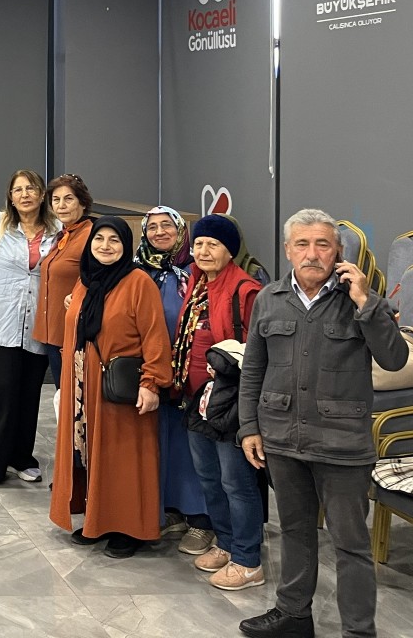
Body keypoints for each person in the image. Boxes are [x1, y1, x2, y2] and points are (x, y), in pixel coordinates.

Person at [237, 210, 408, 638]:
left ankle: (358, 631)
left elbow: (395, 359)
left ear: (339, 251)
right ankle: (294, 615)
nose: (312, 254)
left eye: (322, 245)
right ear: (288, 250)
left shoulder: (362, 299)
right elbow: (253, 368)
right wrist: (248, 426)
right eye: (302, 244)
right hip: (282, 438)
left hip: (342, 445)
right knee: (295, 532)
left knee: (351, 545)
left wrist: (366, 303)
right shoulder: (269, 298)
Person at [49, 217, 173, 559]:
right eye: (99, 239)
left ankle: (129, 528)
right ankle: (99, 521)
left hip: (120, 386)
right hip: (82, 384)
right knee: (92, 453)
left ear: (126, 246)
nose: (105, 246)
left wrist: (152, 382)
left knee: (124, 456)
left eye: (114, 240)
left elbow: (155, 335)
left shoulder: (138, 282)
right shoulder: (86, 281)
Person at [172, 214, 264, 591]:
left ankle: (248, 558)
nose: (204, 250)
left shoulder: (246, 290)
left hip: (232, 400)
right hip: (198, 399)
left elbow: (260, 351)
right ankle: (225, 543)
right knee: (209, 477)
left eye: (213, 244)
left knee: (236, 482)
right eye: (198, 244)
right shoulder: (195, 284)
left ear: (230, 251)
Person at [0, 169, 59, 490]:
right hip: (1, 320)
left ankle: (21, 457)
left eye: (31, 188)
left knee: (29, 394)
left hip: (39, 324)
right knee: (1, 393)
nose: (25, 194)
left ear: (42, 195)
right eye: (18, 190)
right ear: (11, 197)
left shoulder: (57, 230)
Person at [135, 206, 212, 553]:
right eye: (152, 227)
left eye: (167, 225)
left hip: (190, 375)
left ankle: (201, 519)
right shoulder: (138, 270)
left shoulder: (197, 271)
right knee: (162, 444)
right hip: (152, 371)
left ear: (181, 231)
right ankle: (172, 510)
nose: (159, 232)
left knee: (190, 448)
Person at [35, 174, 95, 389]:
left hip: (74, 334)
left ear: (83, 202)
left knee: (74, 399)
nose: (61, 205)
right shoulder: (63, 235)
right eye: (56, 200)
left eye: (68, 199)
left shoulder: (91, 236)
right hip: (53, 334)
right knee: (63, 398)